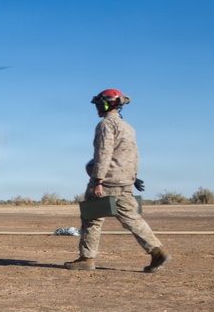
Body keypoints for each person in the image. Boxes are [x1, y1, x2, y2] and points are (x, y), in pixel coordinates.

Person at [65, 89, 171, 272]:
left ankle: (87, 259)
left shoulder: (106, 124)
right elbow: (131, 154)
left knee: (91, 219)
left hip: (106, 180)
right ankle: (157, 251)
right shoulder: (127, 126)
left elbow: (104, 153)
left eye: (99, 103)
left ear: (106, 104)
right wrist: (133, 177)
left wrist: (98, 180)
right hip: (124, 181)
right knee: (132, 218)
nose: (97, 107)